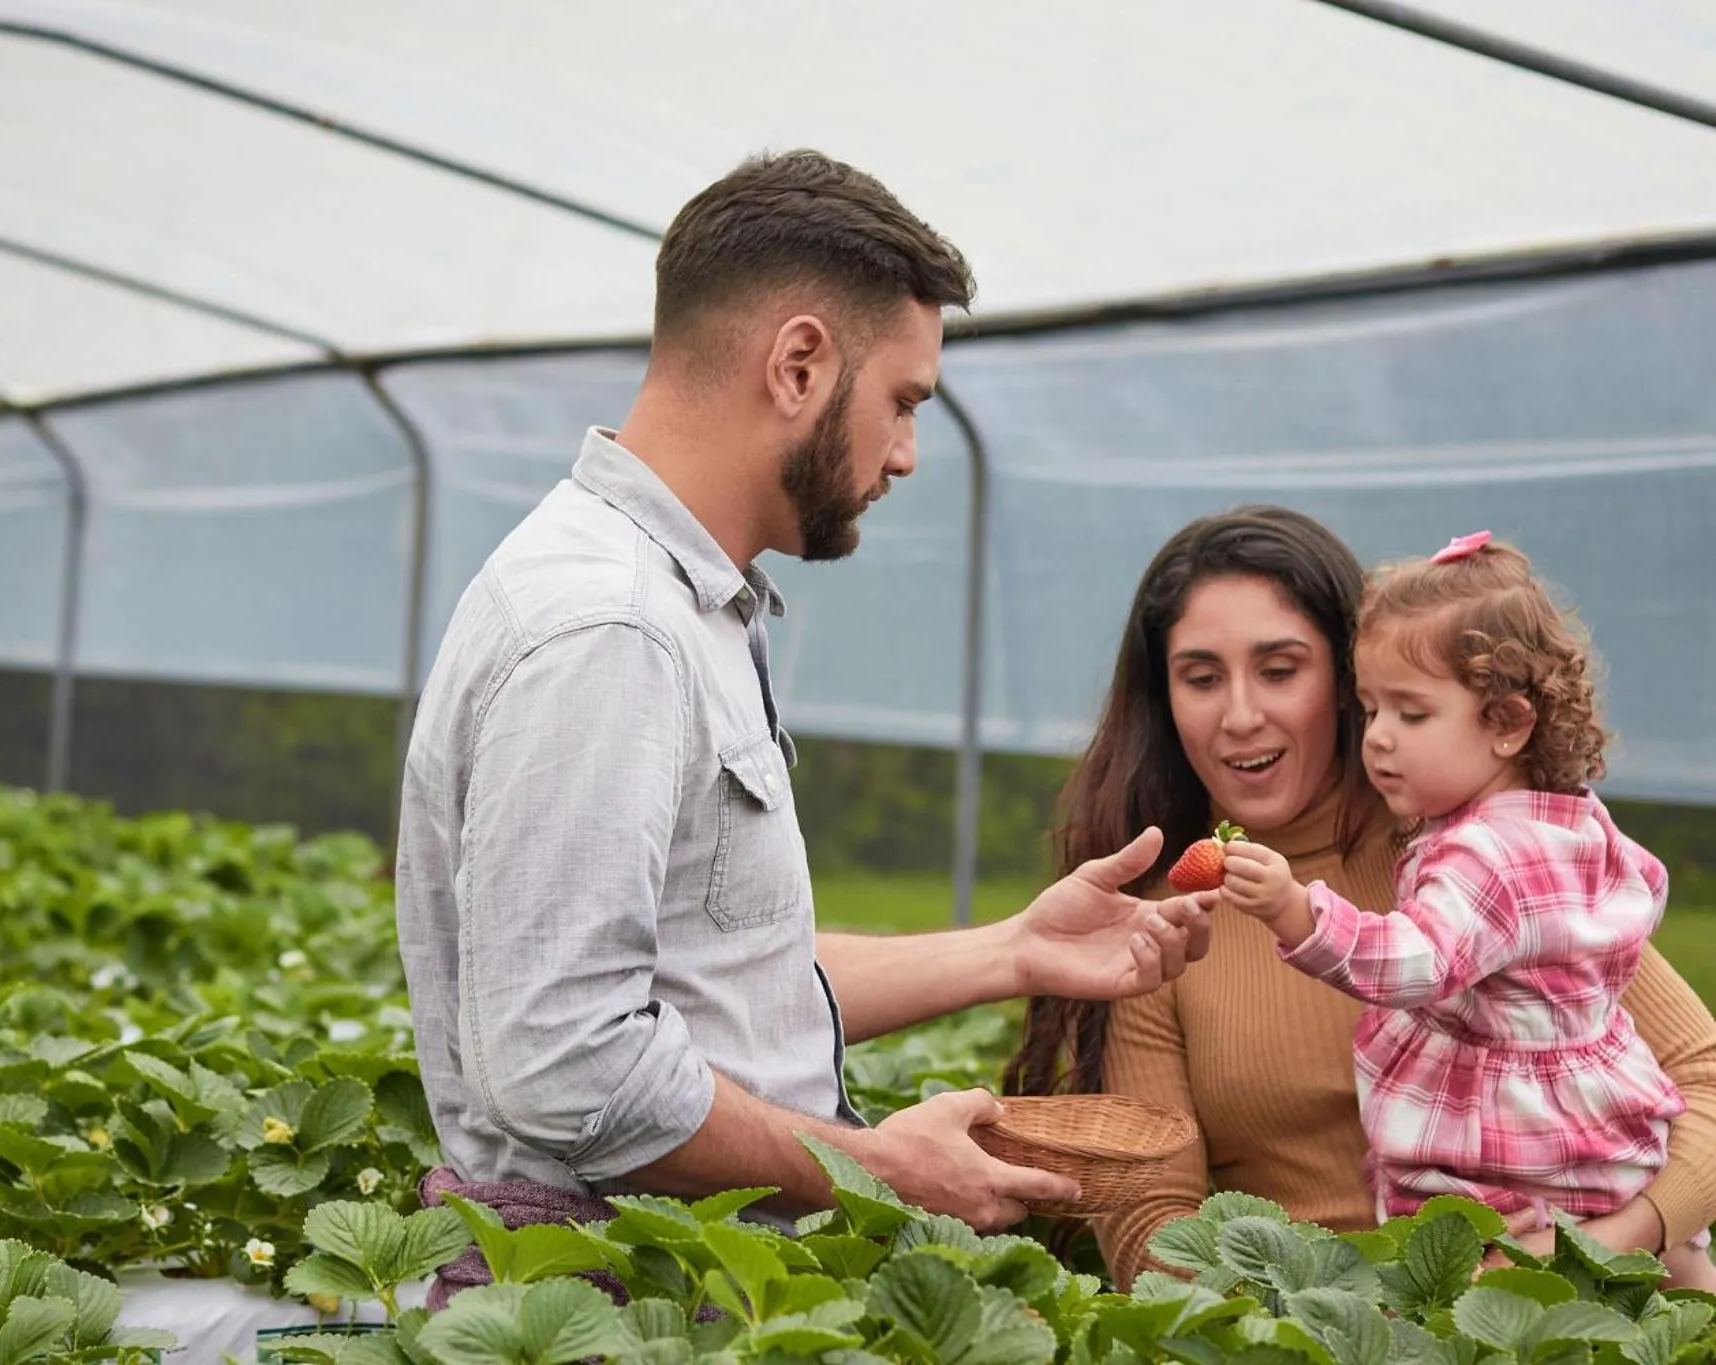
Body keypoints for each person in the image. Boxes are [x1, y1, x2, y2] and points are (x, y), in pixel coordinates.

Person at [392, 149, 1216, 1301]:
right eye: (902, 401)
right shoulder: (608, 627)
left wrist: (1013, 949)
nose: (905, 454)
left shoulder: (686, 608)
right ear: (796, 364)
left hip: (675, 1279)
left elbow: (713, 979)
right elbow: (566, 1062)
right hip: (622, 1302)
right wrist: (874, 1169)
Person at [1004, 506, 1716, 1290]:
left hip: (1557, 1296)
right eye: (1201, 677)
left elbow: (1703, 1074)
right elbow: (1154, 1223)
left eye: (1280, 670)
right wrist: (1348, 1319)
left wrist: (1611, 1242)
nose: (1241, 715)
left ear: (1345, 680)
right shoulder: (1164, 920)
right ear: (1164, 698)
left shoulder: (1480, 863)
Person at [1218, 531, 1712, 1279]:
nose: (1377, 738)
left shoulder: (1487, 856)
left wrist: (1296, 909)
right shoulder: (1568, 821)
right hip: (1595, 1143)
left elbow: (1417, 960)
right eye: (1371, 707)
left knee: (1464, 1277)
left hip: (1515, 1158)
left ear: (1509, 723)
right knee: (1667, 1286)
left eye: (1412, 715)